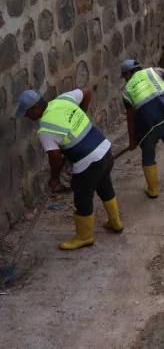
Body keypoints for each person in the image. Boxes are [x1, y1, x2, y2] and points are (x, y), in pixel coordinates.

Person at [15, 88, 122, 250]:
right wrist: (81, 113)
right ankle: (115, 222)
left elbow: (55, 158)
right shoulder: (64, 99)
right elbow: (86, 92)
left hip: (88, 162)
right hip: (105, 150)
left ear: (36, 107)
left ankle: (84, 237)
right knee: (104, 185)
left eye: (27, 112)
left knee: (82, 197)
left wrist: (54, 178)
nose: (26, 117)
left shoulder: (45, 130)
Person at [120, 59, 164, 199]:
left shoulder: (126, 91)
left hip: (147, 127)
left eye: (124, 76)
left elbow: (131, 119)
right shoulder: (157, 71)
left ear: (129, 73)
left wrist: (132, 140)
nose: (125, 79)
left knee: (148, 156)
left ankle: (152, 189)